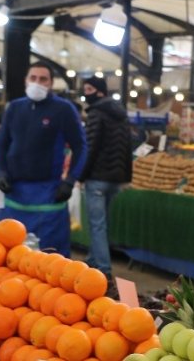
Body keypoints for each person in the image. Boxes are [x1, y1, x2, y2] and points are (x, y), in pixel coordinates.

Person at [0, 63, 87, 256]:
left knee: (49, 258)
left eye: (43, 79)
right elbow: (2, 143)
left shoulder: (64, 109)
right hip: (15, 194)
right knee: (11, 255)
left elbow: (80, 146)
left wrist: (70, 181)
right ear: (26, 81)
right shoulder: (14, 108)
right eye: (33, 78)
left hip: (49, 194)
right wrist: (2, 172)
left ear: (51, 83)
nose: (37, 82)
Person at [77, 77, 132, 280]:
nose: (86, 93)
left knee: (97, 224)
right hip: (115, 179)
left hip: (97, 177)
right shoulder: (121, 114)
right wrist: (126, 177)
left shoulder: (96, 113)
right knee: (103, 222)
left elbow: (90, 148)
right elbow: (128, 148)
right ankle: (93, 258)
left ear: (100, 92)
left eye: (90, 89)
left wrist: (80, 175)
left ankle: (103, 268)